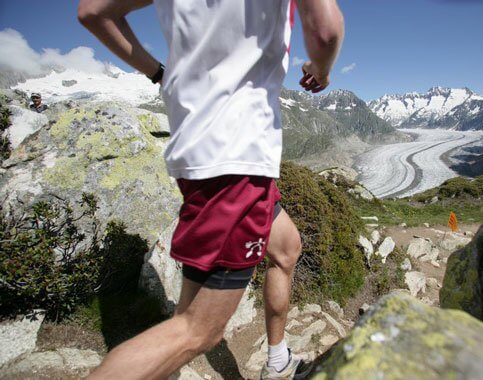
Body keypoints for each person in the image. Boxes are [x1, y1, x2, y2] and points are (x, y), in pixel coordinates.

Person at [78, 0, 344, 378]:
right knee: (197, 330)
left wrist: (157, 73)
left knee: (286, 247)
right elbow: (325, 30)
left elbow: (93, 12)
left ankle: (278, 360)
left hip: (200, 148)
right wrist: (321, 69)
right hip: (237, 161)